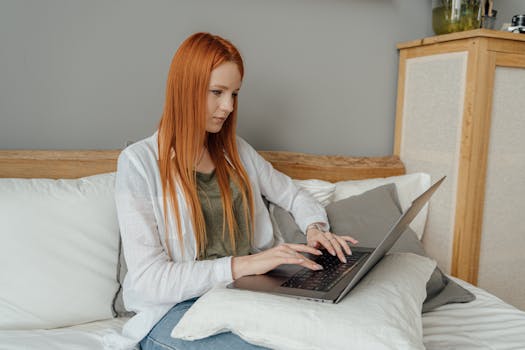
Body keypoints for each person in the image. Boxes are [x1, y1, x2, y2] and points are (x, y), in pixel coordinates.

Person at [113, 32, 357, 350]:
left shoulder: (237, 152)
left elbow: (294, 195)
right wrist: (242, 265)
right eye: (217, 92)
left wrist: (314, 227)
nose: (228, 107)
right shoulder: (139, 164)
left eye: (234, 94)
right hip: (177, 310)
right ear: (185, 88)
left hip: (249, 294)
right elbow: (149, 280)